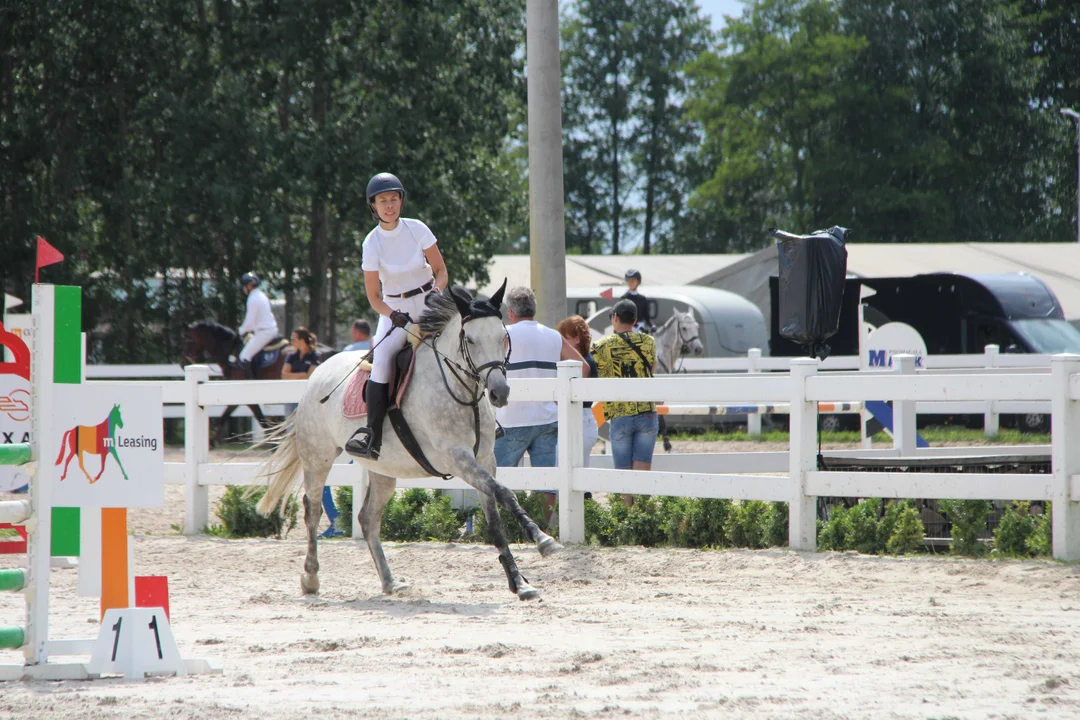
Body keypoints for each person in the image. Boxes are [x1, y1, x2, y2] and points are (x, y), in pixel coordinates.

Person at [344, 172, 448, 460]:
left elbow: (441, 271)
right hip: (393, 310)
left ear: (401, 201)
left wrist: (437, 294)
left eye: (393, 199)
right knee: (383, 359)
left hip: (429, 301)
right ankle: (372, 436)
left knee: (462, 339)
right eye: (382, 201)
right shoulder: (371, 243)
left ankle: (490, 415)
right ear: (373, 206)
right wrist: (394, 315)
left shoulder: (418, 228)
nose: (389, 205)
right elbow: (374, 298)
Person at [496, 287, 585, 520]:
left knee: (501, 477)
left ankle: (508, 526)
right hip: (547, 418)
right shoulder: (553, 336)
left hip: (511, 419)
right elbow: (582, 367)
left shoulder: (504, 334)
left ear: (511, 312)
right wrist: (560, 394)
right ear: (533, 309)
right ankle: (542, 527)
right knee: (546, 480)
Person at [592, 299, 658, 506]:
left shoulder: (602, 345)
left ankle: (626, 515)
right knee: (642, 467)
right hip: (646, 410)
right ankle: (641, 515)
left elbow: (591, 368)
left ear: (615, 318)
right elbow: (652, 368)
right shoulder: (648, 342)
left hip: (619, 413)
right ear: (635, 320)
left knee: (622, 471)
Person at [555, 315, 599, 467]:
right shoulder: (588, 359)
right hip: (584, 419)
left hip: (580, 418)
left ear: (576, 339)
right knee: (579, 472)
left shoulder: (579, 364)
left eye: (565, 338)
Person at [237, 272, 280, 379]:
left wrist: (240, 331)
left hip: (264, 332)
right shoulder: (261, 295)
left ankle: (252, 383)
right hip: (269, 329)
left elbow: (249, 322)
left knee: (244, 356)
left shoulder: (252, 299)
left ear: (248, 286)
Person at [282, 327, 321, 415]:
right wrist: (302, 374)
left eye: (293, 339)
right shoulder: (291, 356)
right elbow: (284, 375)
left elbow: (310, 376)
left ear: (302, 340)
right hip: (291, 396)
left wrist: (293, 375)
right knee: (290, 425)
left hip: (307, 397)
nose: (291, 341)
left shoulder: (314, 356)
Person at [621, 269, 653, 333]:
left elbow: (646, 316)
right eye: (628, 281)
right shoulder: (624, 299)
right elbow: (626, 317)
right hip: (629, 328)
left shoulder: (643, 299)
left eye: (633, 280)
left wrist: (651, 325)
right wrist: (638, 326)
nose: (630, 283)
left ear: (638, 281)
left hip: (641, 327)